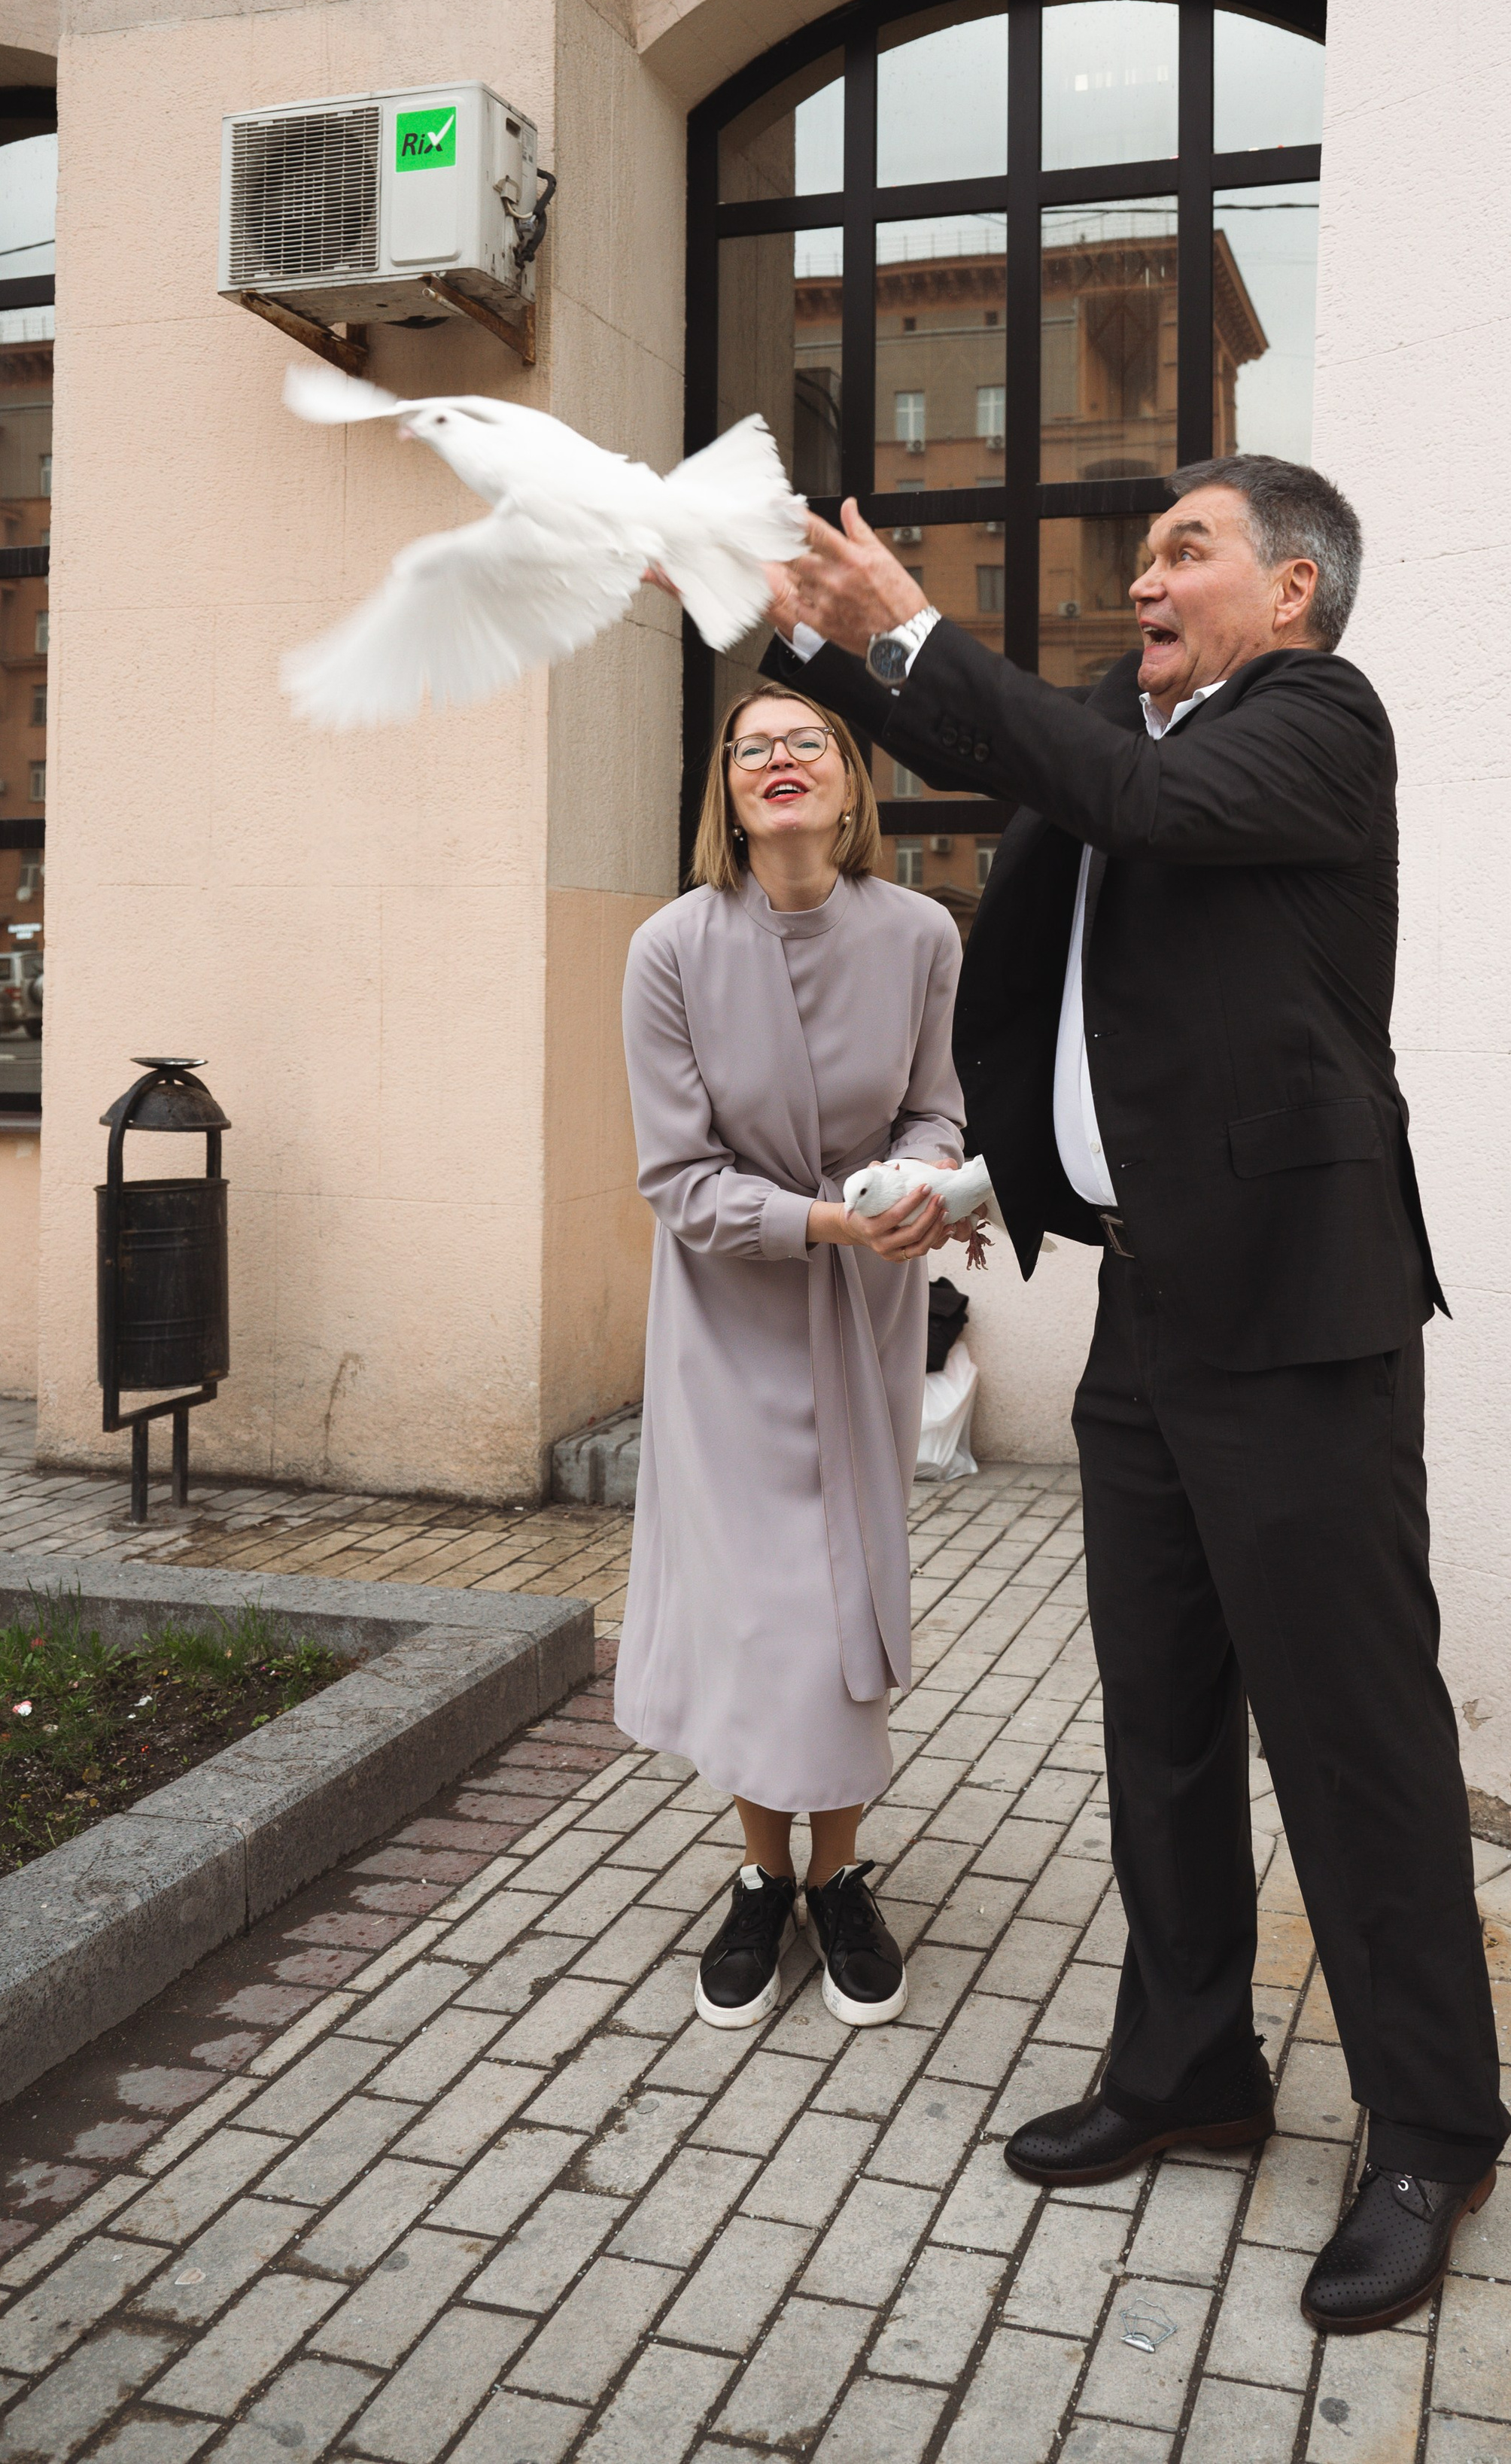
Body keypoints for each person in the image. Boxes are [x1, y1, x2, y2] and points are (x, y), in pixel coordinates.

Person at [762, 455, 1511, 2335]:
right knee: (1160, 1721)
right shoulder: (1127, 727)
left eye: (1189, 549)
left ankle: (1431, 2119)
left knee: (1348, 1736)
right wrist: (796, 617)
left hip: (1304, 1317)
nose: (1145, 579)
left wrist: (914, 627)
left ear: (1296, 594)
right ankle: (1187, 2062)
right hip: (1152, 1307)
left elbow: (1113, 789)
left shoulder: (1315, 725)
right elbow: (1005, 757)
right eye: (1148, 552)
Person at [614, 684, 968, 2033]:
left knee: (839, 1606)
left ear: (850, 779)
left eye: (804, 741)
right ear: (728, 787)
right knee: (762, 1611)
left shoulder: (923, 932)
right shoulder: (668, 947)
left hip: (864, 1314)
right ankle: (765, 1877)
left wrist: (925, 1184)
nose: (778, 760)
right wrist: (829, 1218)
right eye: (752, 745)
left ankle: (843, 1873)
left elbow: (938, 1106)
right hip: (727, 1315)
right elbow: (678, 1176)